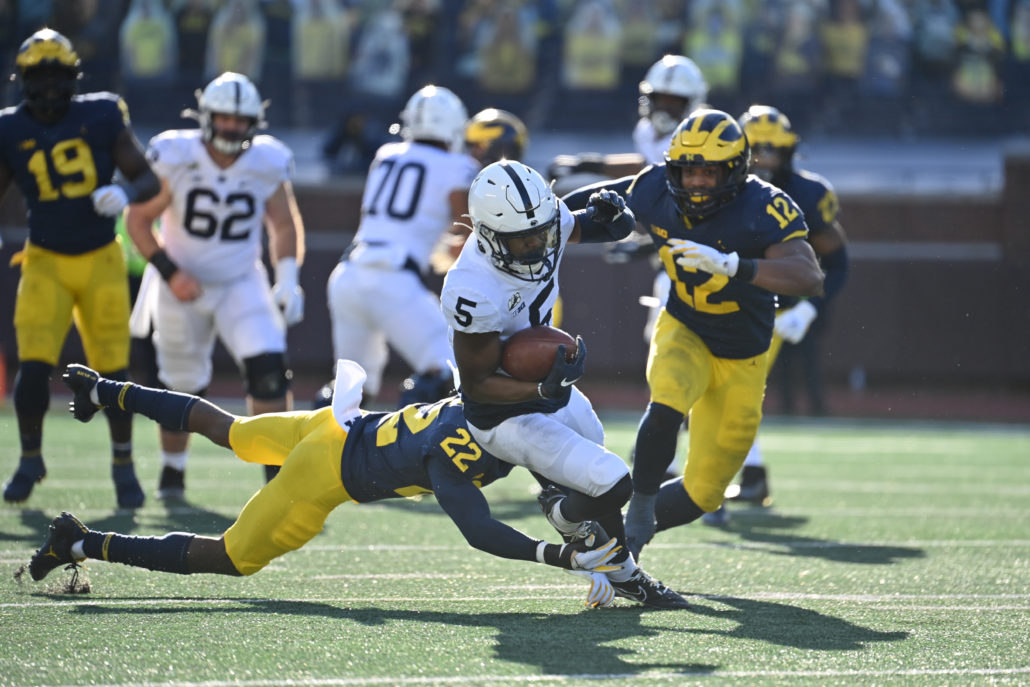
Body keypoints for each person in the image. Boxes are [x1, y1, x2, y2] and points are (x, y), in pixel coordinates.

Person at [25, 361, 624, 611]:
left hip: (335, 423)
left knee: (227, 428)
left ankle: (105, 390)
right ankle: (79, 541)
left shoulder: (481, 402)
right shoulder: (455, 454)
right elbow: (480, 531)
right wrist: (562, 556)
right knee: (230, 558)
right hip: (327, 475)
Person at [562, 110, 824, 559]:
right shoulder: (655, 186)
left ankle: (615, 534)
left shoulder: (764, 205)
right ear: (672, 168)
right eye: (688, 170)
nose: (698, 181)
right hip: (684, 326)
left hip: (744, 355)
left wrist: (735, 266)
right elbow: (595, 207)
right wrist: (543, 217)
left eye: (709, 171)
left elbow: (808, 275)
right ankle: (637, 511)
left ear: (736, 171)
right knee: (666, 402)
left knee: (705, 492)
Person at [439, 160, 689, 609]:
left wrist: (617, 217)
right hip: (500, 412)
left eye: (542, 231)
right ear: (488, 235)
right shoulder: (471, 287)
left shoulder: (543, 223)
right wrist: (541, 391)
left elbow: (599, 226)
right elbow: (476, 387)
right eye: (523, 239)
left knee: (595, 458)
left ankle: (624, 574)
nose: (538, 244)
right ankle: (560, 513)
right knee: (613, 483)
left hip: (544, 386)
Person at [125, 71, 306, 499]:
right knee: (182, 384)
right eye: (224, 118)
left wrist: (289, 278)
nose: (231, 128)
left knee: (268, 372)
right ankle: (173, 471)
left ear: (252, 123)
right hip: (180, 282)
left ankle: (276, 481)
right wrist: (171, 272)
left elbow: (283, 221)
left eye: (239, 121)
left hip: (241, 280)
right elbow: (137, 219)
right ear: (206, 116)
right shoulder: (177, 153)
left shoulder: (267, 160)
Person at [0, 29, 161, 507]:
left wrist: (127, 193)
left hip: (99, 260)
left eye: (57, 76)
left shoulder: (103, 113)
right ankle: (31, 458)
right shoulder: (9, 127)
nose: (49, 87)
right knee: (32, 368)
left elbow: (149, 180)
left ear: (73, 78)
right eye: (40, 76)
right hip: (45, 260)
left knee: (113, 371)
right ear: (24, 79)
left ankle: (123, 463)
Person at [703, 105, 850, 524]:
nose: (764, 160)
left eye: (773, 151)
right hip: (722, 301)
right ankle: (749, 476)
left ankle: (710, 484)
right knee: (723, 394)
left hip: (775, 310)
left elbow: (836, 263)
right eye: (755, 151)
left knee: (727, 394)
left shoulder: (809, 195)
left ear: (789, 153)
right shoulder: (717, 190)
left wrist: (809, 309)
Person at [326, 85, 477, 408]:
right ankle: (409, 453)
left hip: (348, 274)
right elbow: (466, 233)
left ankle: (309, 455)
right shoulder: (458, 167)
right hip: (393, 279)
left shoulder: (385, 156)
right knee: (451, 372)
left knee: (349, 390)